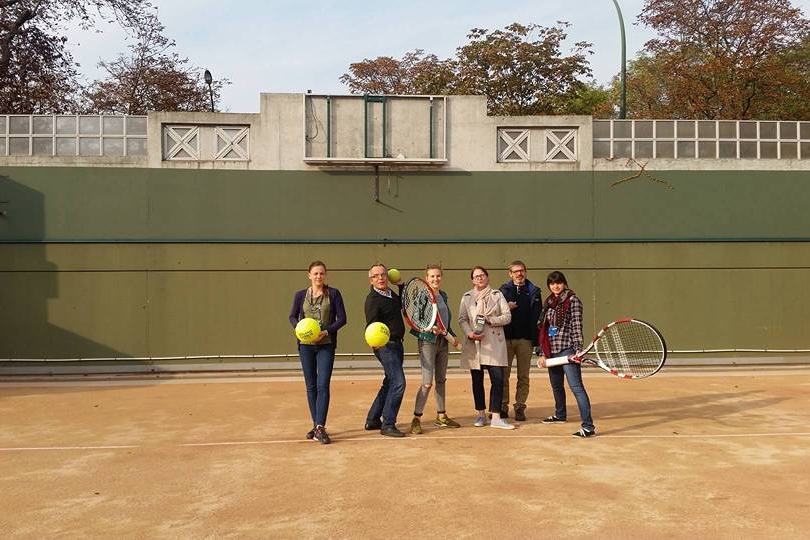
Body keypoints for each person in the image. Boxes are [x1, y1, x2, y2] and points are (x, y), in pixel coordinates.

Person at [288, 260, 347, 444]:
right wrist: (299, 328)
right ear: (309, 275)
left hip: (326, 344)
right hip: (305, 346)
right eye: (315, 273)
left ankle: (320, 426)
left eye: (321, 273)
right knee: (311, 386)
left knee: (323, 384)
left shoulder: (334, 294)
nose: (318, 276)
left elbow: (342, 318)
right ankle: (316, 426)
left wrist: (326, 331)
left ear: (325, 275)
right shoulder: (300, 295)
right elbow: (292, 316)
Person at [537, 271, 596, 438]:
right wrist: (543, 353)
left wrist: (578, 349)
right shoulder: (548, 302)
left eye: (559, 283)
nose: (555, 286)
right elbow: (545, 328)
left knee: (576, 388)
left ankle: (588, 426)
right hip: (551, 351)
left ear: (564, 283)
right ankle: (560, 415)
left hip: (568, 350)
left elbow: (577, 326)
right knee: (556, 386)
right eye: (552, 283)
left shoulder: (573, 300)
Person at [457, 266, 515, 430]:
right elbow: (462, 319)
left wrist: (490, 320)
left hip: (494, 342)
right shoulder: (467, 297)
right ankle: (481, 414)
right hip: (475, 343)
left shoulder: (497, 295)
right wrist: (470, 333)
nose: (479, 278)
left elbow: (507, 316)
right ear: (472, 280)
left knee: (498, 379)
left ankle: (496, 416)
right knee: (477, 381)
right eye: (476, 277)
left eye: (482, 275)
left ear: (487, 277)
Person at [408, 264, 462, 434]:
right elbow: (416, 320)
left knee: (441, 380)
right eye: (432, 276)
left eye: (438, 276)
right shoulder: (422, 296)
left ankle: (441, 416)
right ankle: (416, 418)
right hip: (427, 342)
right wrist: (429, 327)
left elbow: (445, 320)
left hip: (443, 343)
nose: (435, 279)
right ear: (426, 278)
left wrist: (452, 335)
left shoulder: (443, 295)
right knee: (427, 382)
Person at [364, 263, 408, 438]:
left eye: (383, 274)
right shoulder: (373, 299)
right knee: (399, 383)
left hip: (397, 344)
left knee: (389, 382)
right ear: (371, 280)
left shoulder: (391, 295)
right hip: (385, 346)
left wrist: (401, 284)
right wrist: (376, 343)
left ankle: (373, 419)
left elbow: (405, 303)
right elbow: (371, 325)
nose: (380, 278)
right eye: (376, 276)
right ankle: (388, 424)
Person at [498, 260, 543, 421]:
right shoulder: (503, 291)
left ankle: (520, 407)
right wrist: (505, 307)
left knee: (523, 376)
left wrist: (538, 341)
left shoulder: (534, 292)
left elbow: (539, 318)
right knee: (504, 375)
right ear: (510, 274)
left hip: (526, 341)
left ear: (526, 272)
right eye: (516, 271)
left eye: (522, 270)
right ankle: (502, 406)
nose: (519, 274)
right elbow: (495, 312)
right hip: (506, 340)